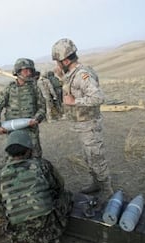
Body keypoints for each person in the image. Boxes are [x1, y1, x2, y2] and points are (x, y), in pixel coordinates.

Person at [0, 130, 73, 243]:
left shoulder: (1, 175)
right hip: (46, 235)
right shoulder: (42, 165)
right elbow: (60, 186)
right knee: (67, 196)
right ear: (28, 150)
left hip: (18, 236)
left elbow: (0, 205)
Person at [51, 38, 113, 201]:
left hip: (89, 125)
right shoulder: (71, 74)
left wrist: (75, 102)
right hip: (82, 125)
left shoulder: (82, 74)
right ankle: (96, 184)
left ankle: (107, 193)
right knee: (89, 157)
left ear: (65, 60)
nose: (57, 65)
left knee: (96, 158)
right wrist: (61, 76)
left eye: (58, 61)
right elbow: (71, 87)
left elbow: (98, 97)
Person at [0, 58, 46, 158]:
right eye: (25, 70)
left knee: (35, 157)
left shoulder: (34, 88)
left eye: (30, 70)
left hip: (31, 131)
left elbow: (42, 107)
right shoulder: (10, 89)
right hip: (13, 131)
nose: (29, 73)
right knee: (14, 158)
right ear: (18, 72)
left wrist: (36, 119)